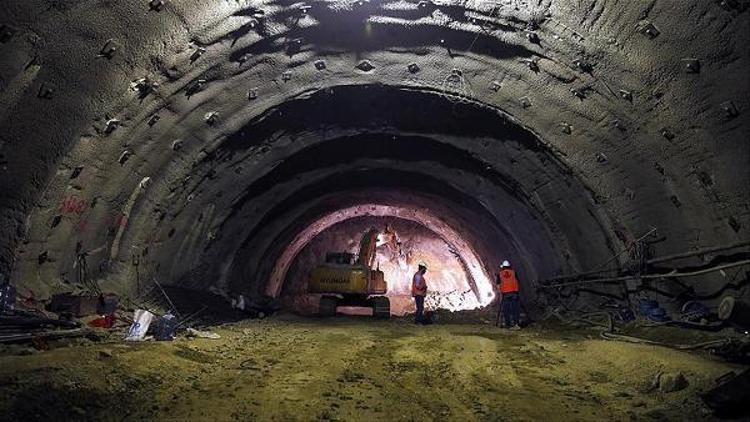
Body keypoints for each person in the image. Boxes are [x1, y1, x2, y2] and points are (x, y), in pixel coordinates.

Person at [496, 260, 521, 330]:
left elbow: (498, 285)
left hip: (506, 294)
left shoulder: (500, 274)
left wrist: (500, 293)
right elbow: (517, 281)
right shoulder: (513, 272)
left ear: (503, 267)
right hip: (514, 293)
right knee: (515, 309)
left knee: (506, 310)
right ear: (509, 266)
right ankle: (516, 324)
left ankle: (508, 324)